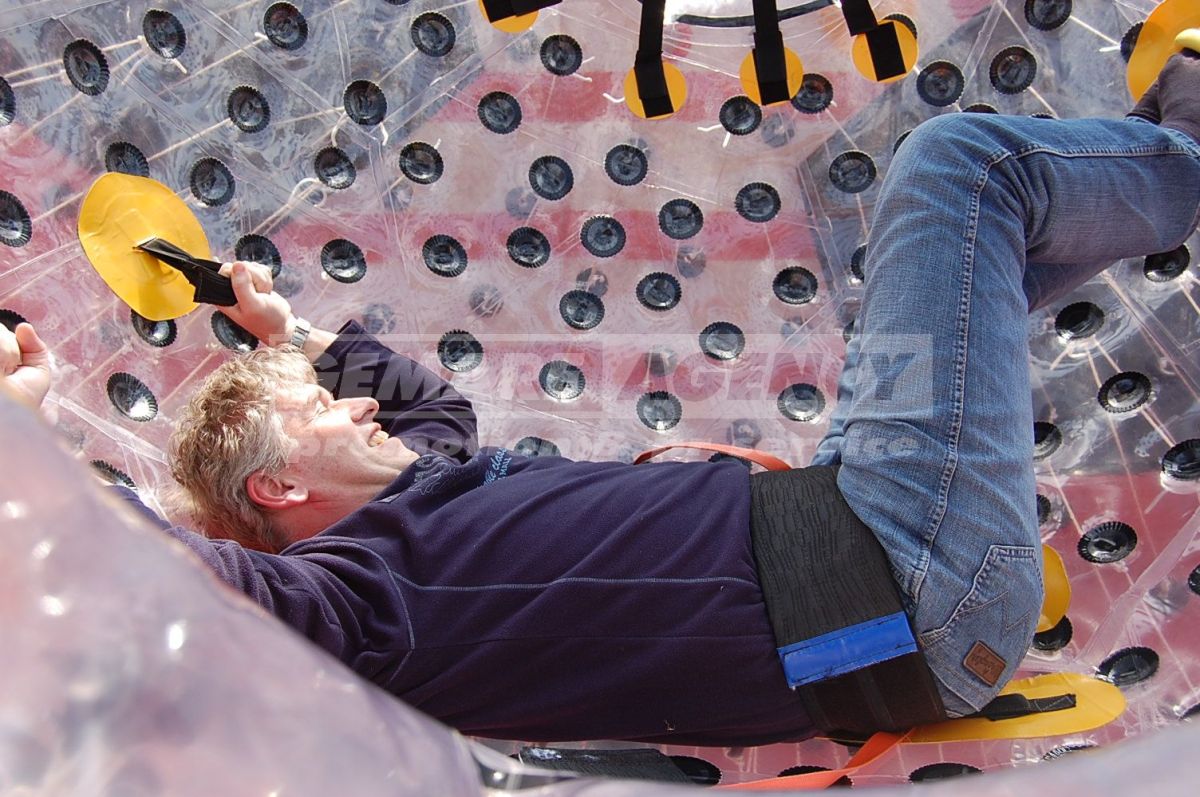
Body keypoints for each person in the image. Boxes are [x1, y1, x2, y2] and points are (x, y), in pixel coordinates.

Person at [3, 48, 1198, 747]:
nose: (356, 406)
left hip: (864, 522)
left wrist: (283, 333)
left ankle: (1147, 174)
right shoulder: (355, 598)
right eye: (321, 412)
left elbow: (430, 415)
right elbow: (181, 579)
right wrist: (32, 437)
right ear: (277, 489)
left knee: (965, 270)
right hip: (903, 585)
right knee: (958, 168)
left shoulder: (430, 493)